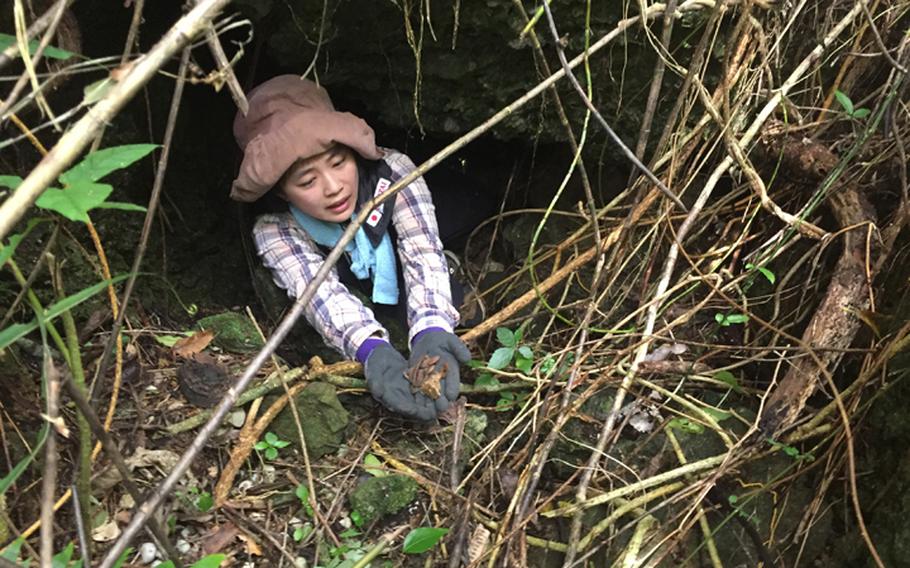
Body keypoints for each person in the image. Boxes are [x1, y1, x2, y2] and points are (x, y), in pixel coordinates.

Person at [230, 75, 470, 422]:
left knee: (464, 218)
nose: (333, 187)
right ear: (282, 192)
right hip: (350, 280)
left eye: (339, 163)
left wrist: (432, 328)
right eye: (307, 181)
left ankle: (455, 262)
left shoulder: (392, 172)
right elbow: (321, 296)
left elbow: (421, 249)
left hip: (424, 224)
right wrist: (372, 351)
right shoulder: (275, 229)